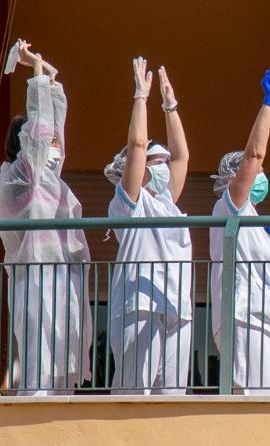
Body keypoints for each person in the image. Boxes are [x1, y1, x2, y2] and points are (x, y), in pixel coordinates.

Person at [0, 41, 92, 396]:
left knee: (63, 356)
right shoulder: (18, 178)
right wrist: (34, 78)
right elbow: (41, 131)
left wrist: (49, 76)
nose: (54, 148)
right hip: (33, 275)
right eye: (44, 143)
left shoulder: (44, 178)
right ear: (24, 143)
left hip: (58, 274)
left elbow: (54, 131)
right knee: (39, 358)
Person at [208, 69, 270, 395]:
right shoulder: (230, 207)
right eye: (256, 172)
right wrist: (269, 104)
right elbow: (253, 155)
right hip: (244, 319)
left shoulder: (263, 226)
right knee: (252, 404)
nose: (261, 173)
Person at [104, 58, 192, 395]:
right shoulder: (129, 201)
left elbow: (182, 157)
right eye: (156, 162)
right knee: (133, 393)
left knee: (171, 398)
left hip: (176, 306)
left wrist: (171, 106)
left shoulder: (167, 201)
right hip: (138, 304)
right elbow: (138, 146)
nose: (164, 166)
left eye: (163, 162)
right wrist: (141, 96)